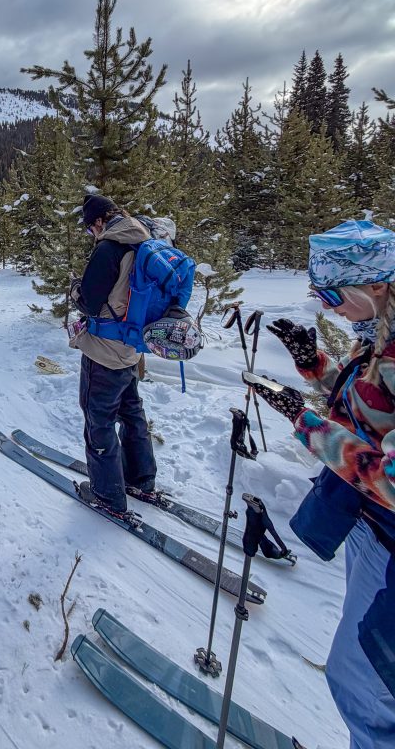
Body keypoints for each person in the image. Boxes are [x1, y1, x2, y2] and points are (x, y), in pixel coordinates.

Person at [251, 219, 395, 749]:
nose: (325, 305)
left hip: (389, 538)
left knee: (360, 681)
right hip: (370, 529)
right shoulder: (378, 332)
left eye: (332, 292)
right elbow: (371, 407)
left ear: (376, 284)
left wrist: (309, 427)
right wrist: (314, 366)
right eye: (318, 292)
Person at [68, 194, 157, 518]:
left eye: (91, 228)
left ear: (99, 221)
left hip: (104, 350)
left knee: (98, 419)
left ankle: (107, 495)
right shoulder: (145, 241)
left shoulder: (109, 248)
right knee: (132, 412)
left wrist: (76, 289)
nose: (92, 234)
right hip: (131, 347)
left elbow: (90, 302)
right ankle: (140, 480)